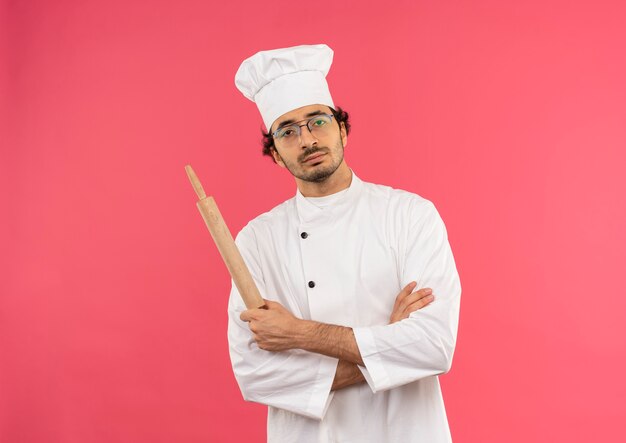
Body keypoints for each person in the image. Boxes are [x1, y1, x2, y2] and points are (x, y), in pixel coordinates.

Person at [228, 44, 461, 443]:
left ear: (343, 130)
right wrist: (387, 345)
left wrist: (298, 333)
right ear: (277, 156)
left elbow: (434, 345)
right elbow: (254, 373)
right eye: (287, 131)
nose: (307, 140)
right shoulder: (256, 240)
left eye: (317, 121)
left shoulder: (410, 215)